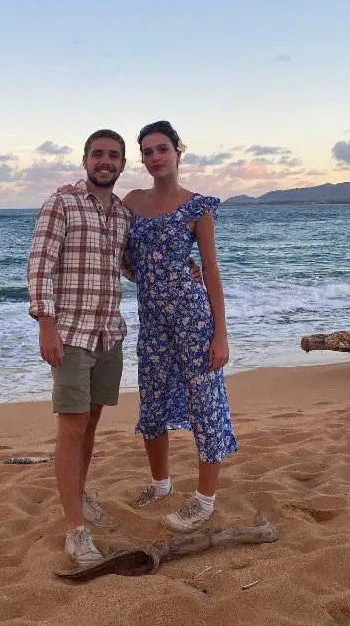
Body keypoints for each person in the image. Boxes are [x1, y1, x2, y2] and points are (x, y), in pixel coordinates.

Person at [123, 120, 238, 533]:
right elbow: (119, 253)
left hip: (193, 321)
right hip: (152, 323)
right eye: (147, 152)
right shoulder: (131, 202)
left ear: (177, 151)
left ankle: (205, 500)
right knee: (151, 404)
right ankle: (161, 484)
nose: (154, 158)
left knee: (204, 405)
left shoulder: (198, 207)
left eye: (161, 149)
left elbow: (210, 272)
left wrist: (220, 335)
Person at [27, 128, 131, 566]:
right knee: (71, 428)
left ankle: (79, 493)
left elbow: (129, 265)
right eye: (97, 154)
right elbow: (40, 264)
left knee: (89, 424)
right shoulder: (62, 203)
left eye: (113, 156)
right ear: (85, 159)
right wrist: (45, 325)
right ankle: (75, 530)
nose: (104, 161)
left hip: (110, 333)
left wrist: (182, 267)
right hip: (71, 334)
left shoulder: (123, 215)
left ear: (123, 164)